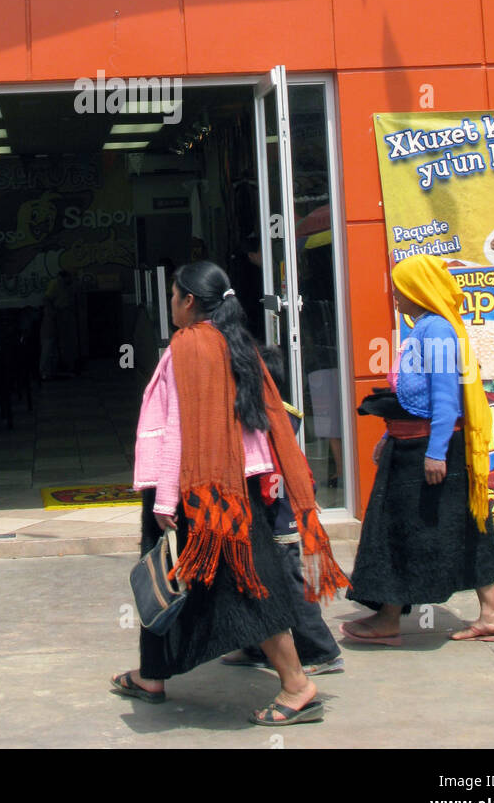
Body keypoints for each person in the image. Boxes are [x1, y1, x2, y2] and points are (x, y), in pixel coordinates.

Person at [112, 262, 349, 725]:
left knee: (246, 585)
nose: (171, 304)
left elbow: (181, 427)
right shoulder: (230, 341)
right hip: (225, 487)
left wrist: (165, 500)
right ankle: (152, 675)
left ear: (188, 302)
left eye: (174, 295)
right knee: (171, 581)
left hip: (200, 493)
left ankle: (297, 685)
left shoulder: (191, 345)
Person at [342, 254, 494, 645]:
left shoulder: (435, 330)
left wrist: (436, 453)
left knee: (400, 528)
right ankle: (491, 614)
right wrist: (388, 435)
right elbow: (412, 395)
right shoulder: (424, 328)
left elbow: (445, 398)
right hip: (410, 443)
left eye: (401, 288)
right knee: (463, 526)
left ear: (418, 290)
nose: (395, 295)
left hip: (426, 450)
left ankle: (388, 620)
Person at [223, 345, 344, 677]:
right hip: (266, 514)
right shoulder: (263, 414)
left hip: (277, 515)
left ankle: (321, 651)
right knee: (252, 581)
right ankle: (256, 646)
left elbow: (287, 468)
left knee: (289, 585)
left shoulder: (269, 419)